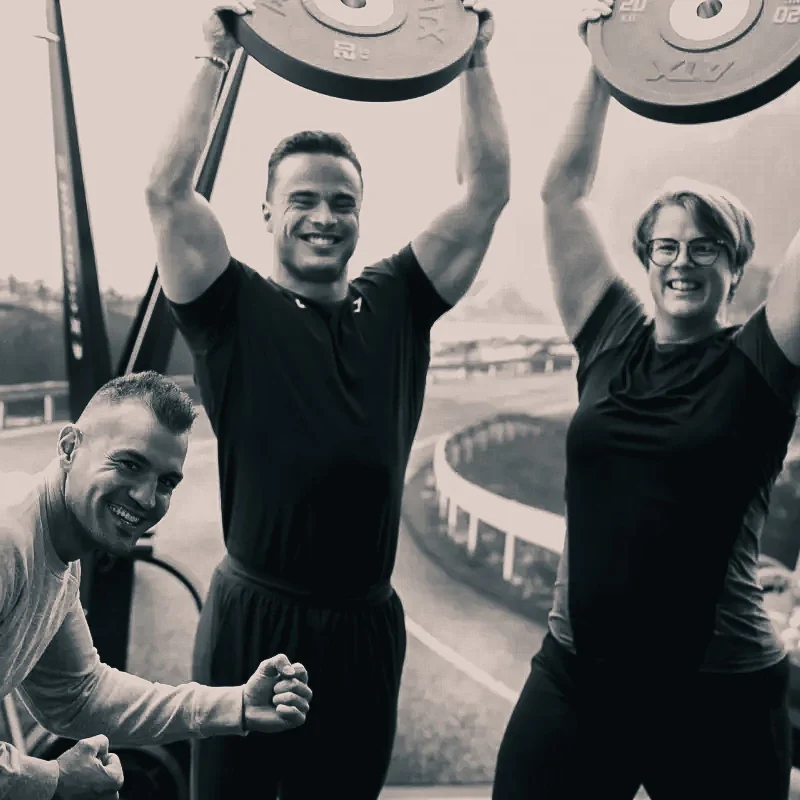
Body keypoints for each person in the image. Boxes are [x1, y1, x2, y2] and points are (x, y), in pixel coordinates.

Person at [144, 0, 510, 796]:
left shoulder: (402, 300)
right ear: (267, 211)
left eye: (342, 201)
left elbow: (486, 191)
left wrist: (475, 57)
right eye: (302, 198)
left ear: (360, 216)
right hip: (253, 617)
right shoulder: (228, 308)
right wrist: (213, 51)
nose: (323, 215)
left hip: (364, 627)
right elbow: (168, 194)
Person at [492, 2, 800, 799]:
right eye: (666, 246)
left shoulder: (761, 361)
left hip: (719, 691)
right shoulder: (608, 337)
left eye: (707, 248)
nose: (683, 262)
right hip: (578, 678)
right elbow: (561, 194)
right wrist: (605, 57)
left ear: (738, 269)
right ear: (644, 257)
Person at [0, 372, 312, 800]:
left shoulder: (57, 546)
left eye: (166, 482)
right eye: (129, 464)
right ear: (70, 447)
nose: (148, 499)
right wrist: (54, 781)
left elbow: (78, 695)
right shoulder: (8, 540)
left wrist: (238, 705)